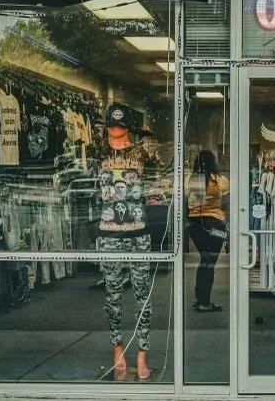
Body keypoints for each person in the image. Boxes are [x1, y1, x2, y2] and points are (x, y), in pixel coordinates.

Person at [98, 102, 153, 381]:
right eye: (111, 125)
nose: (115, 130)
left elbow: (157, 186)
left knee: (143, 296)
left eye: (119, 126)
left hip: (138, 233)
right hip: (109, 233)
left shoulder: (142, 155)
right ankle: (117, 349)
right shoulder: (98, 153)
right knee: (113, 296)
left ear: (128, 128)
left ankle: (142, 352)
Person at [186, 150, 230, 312]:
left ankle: (200, 298)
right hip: (214, 225)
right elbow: (228, 196)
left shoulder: (190, 179)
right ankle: (204, 302)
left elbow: (183, 198)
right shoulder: (219, 180)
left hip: (195, 225)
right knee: (209, 263)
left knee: (204, 261)